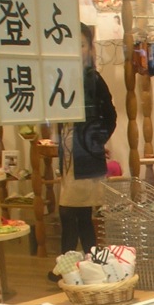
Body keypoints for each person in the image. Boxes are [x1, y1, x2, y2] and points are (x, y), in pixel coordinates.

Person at [50, 23, 117, 279]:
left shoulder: (93, 78)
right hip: (70, 159)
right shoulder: (63, 77)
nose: (76, 50)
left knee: (72, 214)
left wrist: (95, 142)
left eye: (81, 44)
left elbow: (110, 115)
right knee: (79, 217)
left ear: (89, 48)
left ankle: (67, 268)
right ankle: (89, 268)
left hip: (85, 158)